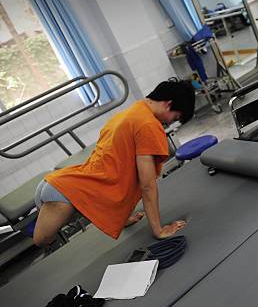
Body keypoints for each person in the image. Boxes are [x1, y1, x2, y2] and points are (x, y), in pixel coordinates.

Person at [33, 80, 195, 247]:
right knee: (42, 242)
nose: (169, 123)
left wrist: (123, 218)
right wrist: (159, 230)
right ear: (169, 104)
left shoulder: (132, 112)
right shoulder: (148, 125)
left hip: (58, 183)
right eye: (175, 118)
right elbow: (147, 185)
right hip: (64, 193)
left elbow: (116, 168)